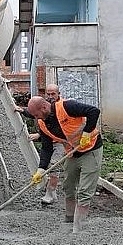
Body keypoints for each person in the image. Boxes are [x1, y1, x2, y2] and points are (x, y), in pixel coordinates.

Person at [26, 93, 102, 233]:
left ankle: (78, 229)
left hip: (90, 149)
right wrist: (41, 169)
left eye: (37, 115)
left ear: (44, 107)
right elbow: (47, 148)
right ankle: (68, 220)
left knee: (84, 190)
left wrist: (87, 132)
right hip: (72, 153)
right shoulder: (43, 124)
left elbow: (94, 111)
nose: (36, 119)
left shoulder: (67, 106)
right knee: (68, 186)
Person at [14, 84, 62, 204]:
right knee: (49, 166)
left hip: (62, 143)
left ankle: (50, 194)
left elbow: (57, 128)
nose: (50, 96)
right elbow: (37, 113)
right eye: (48, 94)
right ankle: (52, 192)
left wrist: (39, 135)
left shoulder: (61, 108)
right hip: (49, 143)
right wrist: (23, 110)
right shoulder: (46, 107)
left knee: (54, 166)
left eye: (53, 94)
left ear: (58, 94)